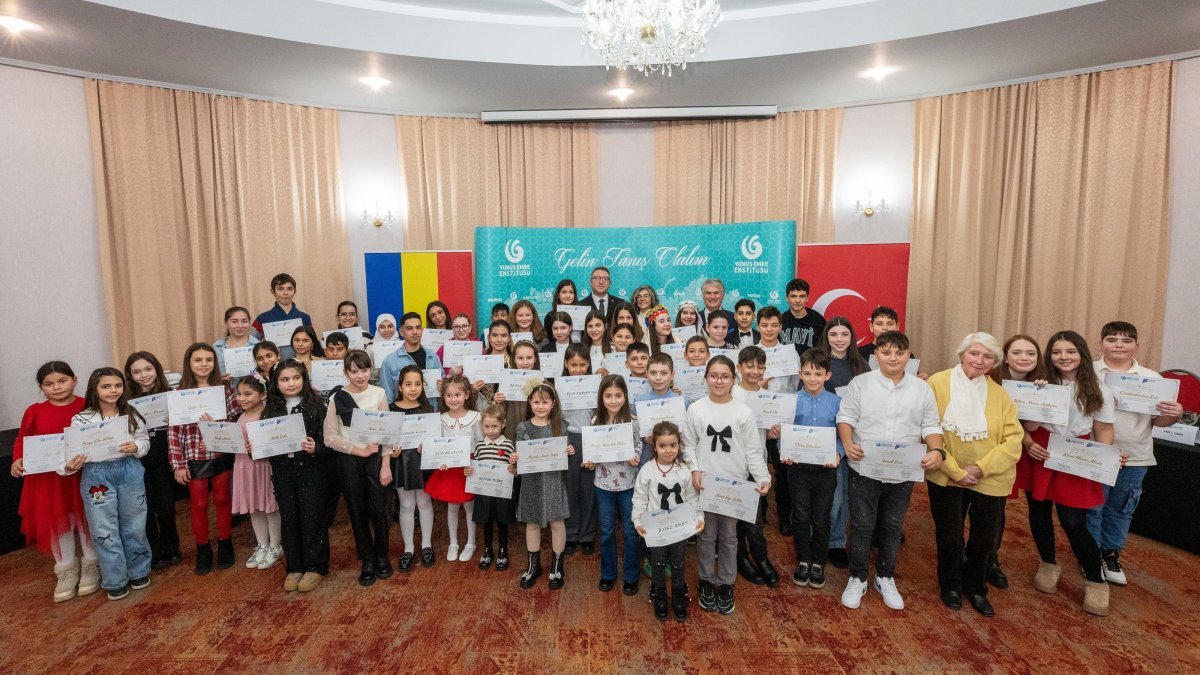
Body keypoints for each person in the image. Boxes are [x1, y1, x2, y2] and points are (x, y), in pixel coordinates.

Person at [1014, 330, 1123, 616]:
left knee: (1073, 522)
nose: (1064, 357)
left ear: (1082, 354)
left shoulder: (1099, 389)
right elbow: (1027, 426)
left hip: (1076, 452)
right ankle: (1048, 563)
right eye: (1057, 352)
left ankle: (1096, 580)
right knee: (1038, 511)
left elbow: (1104, 428)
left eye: (1070, 351)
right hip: (1041, 449)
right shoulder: (1040, 383)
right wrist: (1037, 403)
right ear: (1049, 356)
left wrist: (1102, 459)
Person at [836, 330, 944, 611]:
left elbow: (931, 425)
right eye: (886, 352)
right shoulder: (860, 383)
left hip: (903, 470)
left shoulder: (922, 389)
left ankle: (884, 576)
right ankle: (858, 577)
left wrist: (937, 450)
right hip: (864, 467)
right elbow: (846, 417)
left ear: (909, 356)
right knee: (861, 525)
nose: (893, 358)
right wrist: (847, 444)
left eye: (899, 352)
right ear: (876, 355)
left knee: (892, 525)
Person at [926, 333, 1023, 617]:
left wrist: (980, 468)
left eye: (987, 357)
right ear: (962, 354)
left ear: (994, 362)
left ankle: (977, 588)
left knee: (985, 537)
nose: (979, 361)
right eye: (974, 353)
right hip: (946, 474)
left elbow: (1013, 440)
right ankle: (951, 585)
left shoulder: (1000, 394)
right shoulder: (937, 383)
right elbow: (927, 428)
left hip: (990, 477)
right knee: (949, 534)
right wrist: (955, 471)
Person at [1087, 321, 1182, 586]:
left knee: (1121, 508)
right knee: (1093, 507)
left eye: (1126, 340)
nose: (1119, 345)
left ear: (1137, 346)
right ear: (1101, 343)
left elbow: (1158, 422)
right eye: (1112, 339)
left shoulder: (1154, 379)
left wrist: (1174, 416)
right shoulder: (1088, 372)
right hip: (1095, 452)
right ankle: (1090, 556)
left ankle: (1110, 555)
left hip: (1136, 455)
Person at [682, 355, 772, 616]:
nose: (719, 381)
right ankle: (706, 580)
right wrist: (694, 469)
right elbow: (688, 445)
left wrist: (763, 477)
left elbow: (753, 450)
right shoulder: (696, 409)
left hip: (734, 484)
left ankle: (726, 583)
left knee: (730, 537)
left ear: (734, 378)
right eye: (714, 376)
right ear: (706, 377)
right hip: (705, 484)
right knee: (706, 535)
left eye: (725, 376)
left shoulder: (742, 411)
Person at [10, 362, 99, 602]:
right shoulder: (34, 411)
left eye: (62, 381)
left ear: (75, 380)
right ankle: (66, 569)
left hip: (83, 474)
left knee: (88, 518)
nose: (56, 387)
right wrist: (18, 458)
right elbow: (23, 438)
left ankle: (92, 564)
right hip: (49, 479)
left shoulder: (88, 405)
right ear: (41, 387)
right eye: (49, 384)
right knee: (59, 521)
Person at [64, 368, 152, 601]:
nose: (113, 390)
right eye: (106, 386)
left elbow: (144, 441)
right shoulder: (81, 419)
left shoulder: (130, 413)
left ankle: (139, 571)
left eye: (117, 385)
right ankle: (115, 579)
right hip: (96, 475)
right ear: (94, 388)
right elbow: (72, 453)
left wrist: (137, 447)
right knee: (103, 529)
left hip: (129, 471)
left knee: (135, 524)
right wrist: (72, 464)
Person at [169, 342, 241, 575]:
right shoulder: (178, 393)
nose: (204, 364)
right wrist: (178, 464)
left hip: (221, 451)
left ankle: (225, 542)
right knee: (199, 503)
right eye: (198, 360)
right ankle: (203, 548)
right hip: (194, 455)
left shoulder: (225, 389)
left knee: (222, 499)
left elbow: (235, 420)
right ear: (189, 363)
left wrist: (216, 427)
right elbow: (174, 431)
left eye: (209, 360)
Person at [773, 349, 842, 591]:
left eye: (818, 374)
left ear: (827, 375)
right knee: (801, 516)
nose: (813, 378)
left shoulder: (837, 403)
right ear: (800, 374)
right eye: (808, 373)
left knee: (822, 517)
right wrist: (783, 448)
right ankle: (803, 560)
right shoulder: (790, 401)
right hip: (798, 469)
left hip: (826, 470)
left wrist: (838, 453)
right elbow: (783, 433)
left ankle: (818, 563)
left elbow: (843, 435)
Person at [261, 359, 332, 593]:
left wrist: (316, 447)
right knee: (289, 518)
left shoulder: (317, 406)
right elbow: (264, 444)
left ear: (304, 379)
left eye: (296, 378)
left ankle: (315, 566)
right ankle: (294, 566)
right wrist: (255, 448)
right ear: (276, 383)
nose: (291, 383)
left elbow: (330, 441)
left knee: (312, 517)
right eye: (285, 379)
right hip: (283, 472)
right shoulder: (270, 410)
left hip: (312, 471)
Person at [984, 334, 1048, 588]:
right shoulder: (989, 379)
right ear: (1006, 357)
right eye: (1017, 352)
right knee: (987, 505)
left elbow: (1030, 425)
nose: (1024, 358)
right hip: (988, 448)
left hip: (1017, 449)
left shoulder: (1042, 383)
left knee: (998, 507)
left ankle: (991, 558)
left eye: (1030, 353)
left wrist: (1040, 399)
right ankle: (977, 554)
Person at [323, 349, 391, 586]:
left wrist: (386, 464)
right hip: (350, 459)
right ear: (346, 372)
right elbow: (329, 437)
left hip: (376, 458)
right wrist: (357, 450)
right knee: (356, 509)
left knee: (380, 509)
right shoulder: (337, 398)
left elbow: (388, 431)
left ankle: (382, 554)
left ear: (370, 370)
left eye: (364, 370)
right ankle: (367, 559)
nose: (360, 376)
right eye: (354, 371)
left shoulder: (379, 393)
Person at [632, 421, 703, 622]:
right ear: (654, 446)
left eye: (673, 445)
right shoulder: (647, 470)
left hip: (680, 527)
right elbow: (639, 498)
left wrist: (699, 518)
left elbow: (692, 498)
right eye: (662, 445)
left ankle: (678, 592)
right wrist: (637, 521)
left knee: (678, 560)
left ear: (679, 445)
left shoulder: (684, 470)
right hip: (656, 529)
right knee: (658, 560)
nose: (668, 450)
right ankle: (660, 592)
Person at [815, 317, 869, 568]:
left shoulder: (861, 365)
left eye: (844, 334)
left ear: (852, 337)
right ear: (826, 336)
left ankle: (836, 541)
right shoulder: (817, 360)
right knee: (831, 497)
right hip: (826, 437)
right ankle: (819, 538)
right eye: (833, 334)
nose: (839, 339)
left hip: (854, 438)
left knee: (847, 495)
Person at [510, 382, 575, 589]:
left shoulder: (560, 426)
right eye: (536, 402)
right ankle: (533, 566)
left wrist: (569, 452)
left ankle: (557, 567)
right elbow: (518, 462)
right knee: (532, 523)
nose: (540, 406)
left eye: (545, 402)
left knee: (557, 522)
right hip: (531, 482)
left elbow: (564, 457)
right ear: (529, 402)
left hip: (554, 481)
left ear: (553, 403)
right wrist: (514, 459)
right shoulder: (523, 428)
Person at [583, 375, 642, 595]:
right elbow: (591, 452)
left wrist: (635, 457)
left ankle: (631, 576)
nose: (614, 400)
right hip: (603, 485)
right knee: (606, 531)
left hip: (629, 484)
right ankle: (608, 574)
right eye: (608, 396)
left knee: (630, 531)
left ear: (625, 396)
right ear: (601, 397)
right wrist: (590, 462)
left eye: (618, 395)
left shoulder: (633, 421)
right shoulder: (595, 421)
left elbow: (638, 445)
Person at [124, 352, 181, 569]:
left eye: (148, 369)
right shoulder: (125, 401)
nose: (144, 375)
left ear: (156, 369)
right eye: (137, 372)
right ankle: (153, 550)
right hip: (137, 460)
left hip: (164, 457)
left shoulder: (171, 395)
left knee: (166, 505)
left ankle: (171, 547)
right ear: (130, 375)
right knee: (144, 508)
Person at [730, 346, 777, 587]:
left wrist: (773, 431)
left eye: (759, 367)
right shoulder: (731, 394)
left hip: (756, 462)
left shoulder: (767, 397)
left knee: (755, 519)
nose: (755, 371)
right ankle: (741, 557)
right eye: (749, 366)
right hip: (733, 463)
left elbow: (765, 432)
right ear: (739, 368)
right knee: (736, 516)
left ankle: (761, 557)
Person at [229, 374, 283, 572]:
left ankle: (275, 546)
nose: (241, 398)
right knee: (254, 507)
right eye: (239, 394)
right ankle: (262, 545)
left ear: (263, 395)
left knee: (270, 506)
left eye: (247, 394)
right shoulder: (238, 416)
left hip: (264, 467)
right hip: (243, 467)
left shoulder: (269, 416)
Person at [386, 365, 438, 571]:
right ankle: (408, 548)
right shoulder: (391, 409)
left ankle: (426, 545)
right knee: (406, 506)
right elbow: (386, 440)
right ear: (400, 386)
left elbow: (435, 438)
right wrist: (391, 451)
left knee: (424, 503)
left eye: (417, 384)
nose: (413, 388)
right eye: (408, 384)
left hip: (422, 462)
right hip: (401, 463)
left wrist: (429, 445)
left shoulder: (428, 409)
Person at [428, 374, 482, 563]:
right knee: (452, 506)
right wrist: (440, 460)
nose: (453, 399)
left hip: (469, 467)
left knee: (469, 506)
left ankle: (471, 543)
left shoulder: (476, 417)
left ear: (466, 395)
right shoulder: (441, 419)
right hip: (449, 468)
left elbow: (481, 444)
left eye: (457, 395)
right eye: (449, 395)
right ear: (443, 397)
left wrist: (476, 463)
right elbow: (438, 445)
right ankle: (453, 543)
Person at [756, 305, 797, 537]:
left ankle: (784, 516)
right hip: (758, 420)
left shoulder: (790, 353)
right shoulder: (751, 352)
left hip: (783, 422)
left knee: (784, 472)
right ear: (758, 326)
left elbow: (795, 387)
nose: (769, 329)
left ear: (780, 327)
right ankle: (759, 512)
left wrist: (785, 421)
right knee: (757, 466)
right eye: (765, 325)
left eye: (774, 325)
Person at [467, 404, 517, 571]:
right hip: (484, 493)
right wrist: (469, 471)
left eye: (494, 426)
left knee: (502, 522)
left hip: (502, 493)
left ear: (503, 424)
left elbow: (514, 468)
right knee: (486, 522)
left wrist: (514, 469)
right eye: (486, 426)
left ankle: (503, 550)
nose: (490, 430)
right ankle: (488, 549)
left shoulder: (508, 445)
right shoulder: (480, 446)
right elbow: (475, 467)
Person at [561, 344, 598, 555]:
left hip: (590, 437)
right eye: (573, 365)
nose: (578, 369)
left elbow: (599, 413)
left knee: (588, 489)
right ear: (566, 364)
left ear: (588, 364)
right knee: (570, 488)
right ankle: (571, 533)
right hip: (568, 439)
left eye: (582, 365)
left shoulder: (594, 385)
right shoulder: (559, 387)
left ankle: (587, 535)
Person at [379, 312, 444, 405]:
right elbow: (388, 399)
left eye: (418, 328)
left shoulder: (433, 356)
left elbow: (443, 388)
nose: (415, 332)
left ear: (422, 330)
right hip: (404, 413)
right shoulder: (389, 362)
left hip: (432, 410)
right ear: (401, 332)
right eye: (409, 328)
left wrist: (443, 386)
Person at [253, 273, 313, 360]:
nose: (285, 293)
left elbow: (312, 343)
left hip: (301, 365)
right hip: (273, 365)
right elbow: (252, 345)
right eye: (280, 289)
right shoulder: (262, 318)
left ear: (295, 291)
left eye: (289, 289)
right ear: (272, 291)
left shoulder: (304, 317)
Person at [213, 306, 260, 386]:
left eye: (244, 321)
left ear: (249, 322)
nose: (240, 326)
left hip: (254, 391)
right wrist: (218, 379)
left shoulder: (259, 346)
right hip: (226, 391)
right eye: (234, 322)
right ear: (226, 322)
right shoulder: (216, 348)